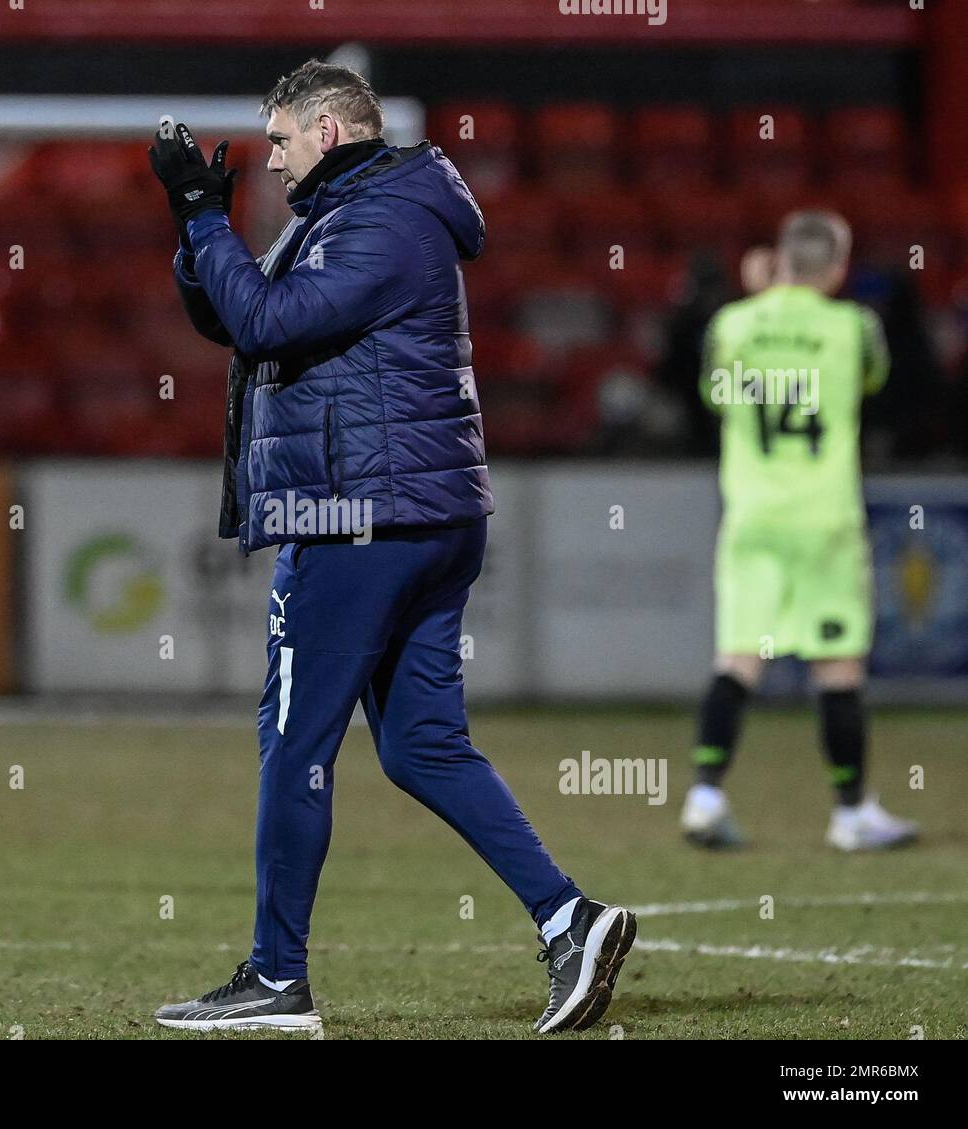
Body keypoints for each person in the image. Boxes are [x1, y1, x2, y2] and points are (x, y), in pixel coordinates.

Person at [147, 59, 634, 1034]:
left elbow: (264, 319)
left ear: (329, 130)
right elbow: (228, 320)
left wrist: (209, 222)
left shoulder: (379, 219)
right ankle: (568, 917)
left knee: (294, 743)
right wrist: (194, 218)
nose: (274, 162)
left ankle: (276, 979)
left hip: (356, 513)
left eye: (282, 141)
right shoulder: (359, 210)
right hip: (416, 509)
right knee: (420, 746)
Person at [680, 210, 919, 852]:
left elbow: (712, 395)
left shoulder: (731, 324)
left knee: (737, 659)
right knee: (836, 668)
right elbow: (875, 379)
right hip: (825, 522)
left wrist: (763, 305)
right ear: (839, 267)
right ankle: (849, 815)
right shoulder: (854, 327)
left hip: (753, 518)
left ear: (780, 259)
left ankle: (705, 796)